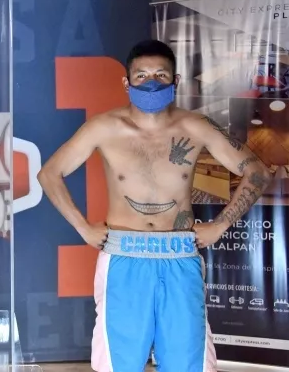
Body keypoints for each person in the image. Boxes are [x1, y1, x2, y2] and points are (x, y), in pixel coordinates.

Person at [37, 40, 272, 372]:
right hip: (123, 256)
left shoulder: (195, 126)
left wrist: (220, 225)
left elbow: (258, 172)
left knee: (189, 365)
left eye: (161, 75)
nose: (151, 83)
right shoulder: (104, 127)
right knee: (119, 366)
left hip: (180, 255)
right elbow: (49, 173)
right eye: (142, 75)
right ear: (127, 82)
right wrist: (82, 227)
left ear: (176, 81)